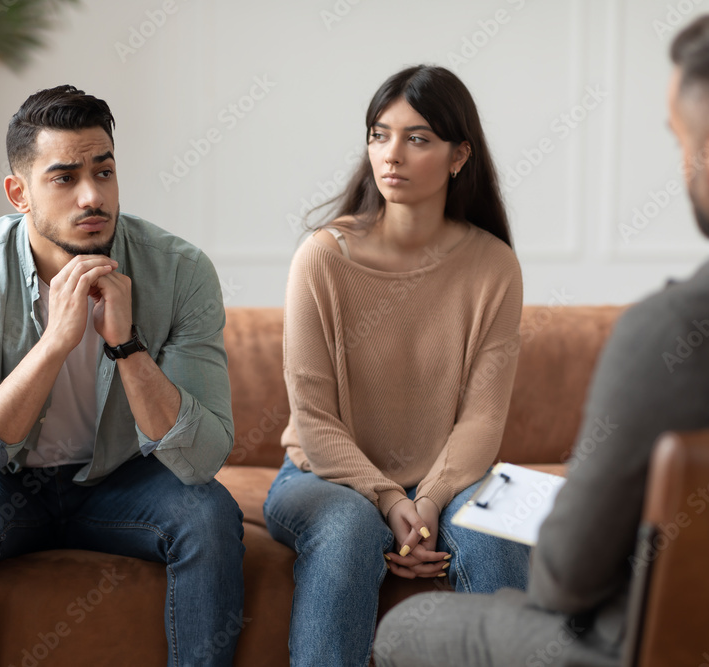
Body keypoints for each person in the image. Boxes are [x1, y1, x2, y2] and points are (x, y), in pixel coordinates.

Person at [374, 6, 709, 666]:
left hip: (657, 646)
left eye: (681, 144)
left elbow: (566, 580)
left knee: (407, 629)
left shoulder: (669, 331)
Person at [0, 85, 244, 667]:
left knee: (209, 515)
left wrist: (128, 347)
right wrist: (56, 342)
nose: (93, 196)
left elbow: (203, 459)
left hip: (122, 479)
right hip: (2, 481)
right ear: (19, 192)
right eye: (64, 178)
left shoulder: (181, 271)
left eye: (105, 171)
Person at [263, 65, 530, 666]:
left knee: (496, 541)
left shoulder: (493, 267)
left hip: (449, 478)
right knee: (349, 532)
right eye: (379, 135)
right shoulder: (321, 258)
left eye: (417, 139)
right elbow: (313, 420)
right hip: (322, 475)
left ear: (460, 155)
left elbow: (483, 420)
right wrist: (387, 499)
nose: (392, 155)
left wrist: (429, 500)